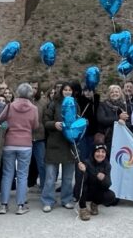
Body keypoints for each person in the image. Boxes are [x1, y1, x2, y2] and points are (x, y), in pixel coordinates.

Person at [0, 83, 39, 215]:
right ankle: (21, 205)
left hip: (9, 143)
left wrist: (9, 125)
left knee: (7, 174)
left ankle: (3, 205)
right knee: (22, 175)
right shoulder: (34, 108)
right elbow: (35, 126)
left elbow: (0, 120)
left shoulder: (10, 106)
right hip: (25, 144)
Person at [41, 83, 76, 212]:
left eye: (69, 89)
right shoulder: (53, 104)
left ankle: (67, 199)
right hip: (54, 144)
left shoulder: (75, 104)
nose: (67, 92)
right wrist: (54, 124)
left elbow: (78, 120)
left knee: (67, 177)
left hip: (69, 144)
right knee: (50, 176)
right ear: (61, 91)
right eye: (65, 90)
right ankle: (48, 200)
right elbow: (45, 122)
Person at [76, 144, 117, 221]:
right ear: (93, 152)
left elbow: (108, 184)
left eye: (103, 152)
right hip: (86, 191)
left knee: (111, 196)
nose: (100, 154)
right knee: (83, 185)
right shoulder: (86, 162)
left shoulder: (107, 165)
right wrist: (84, 171)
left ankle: (94, 204)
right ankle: (83, 208)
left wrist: (103, 179)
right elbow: (80, 182)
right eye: (98, 151)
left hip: (96, 191)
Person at [97, 85, 129, 152]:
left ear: (120, 93)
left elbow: (129, 120)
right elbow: (102, 119)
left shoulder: (124, 106)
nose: (114, 94)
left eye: (116, 92)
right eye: (112, 92)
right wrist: (118, 119)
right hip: (108, 137)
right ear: (109, 94)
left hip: (122, 137)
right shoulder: (103, 105)